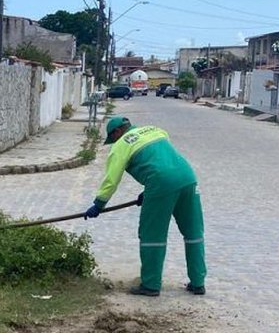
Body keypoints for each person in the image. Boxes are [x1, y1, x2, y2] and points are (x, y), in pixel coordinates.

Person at [84, 116, 206, 297]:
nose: (113, 142)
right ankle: (198, 283)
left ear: (117, 132)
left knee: (152, 234)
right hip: (188, 177)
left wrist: (99, 204)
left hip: (160, 182)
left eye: (112, 138)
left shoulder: (121, 144)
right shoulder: (155, 130)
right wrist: (149, 191)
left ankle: (150, 285)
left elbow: (111, 179)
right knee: (193, 232)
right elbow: (162, 159)